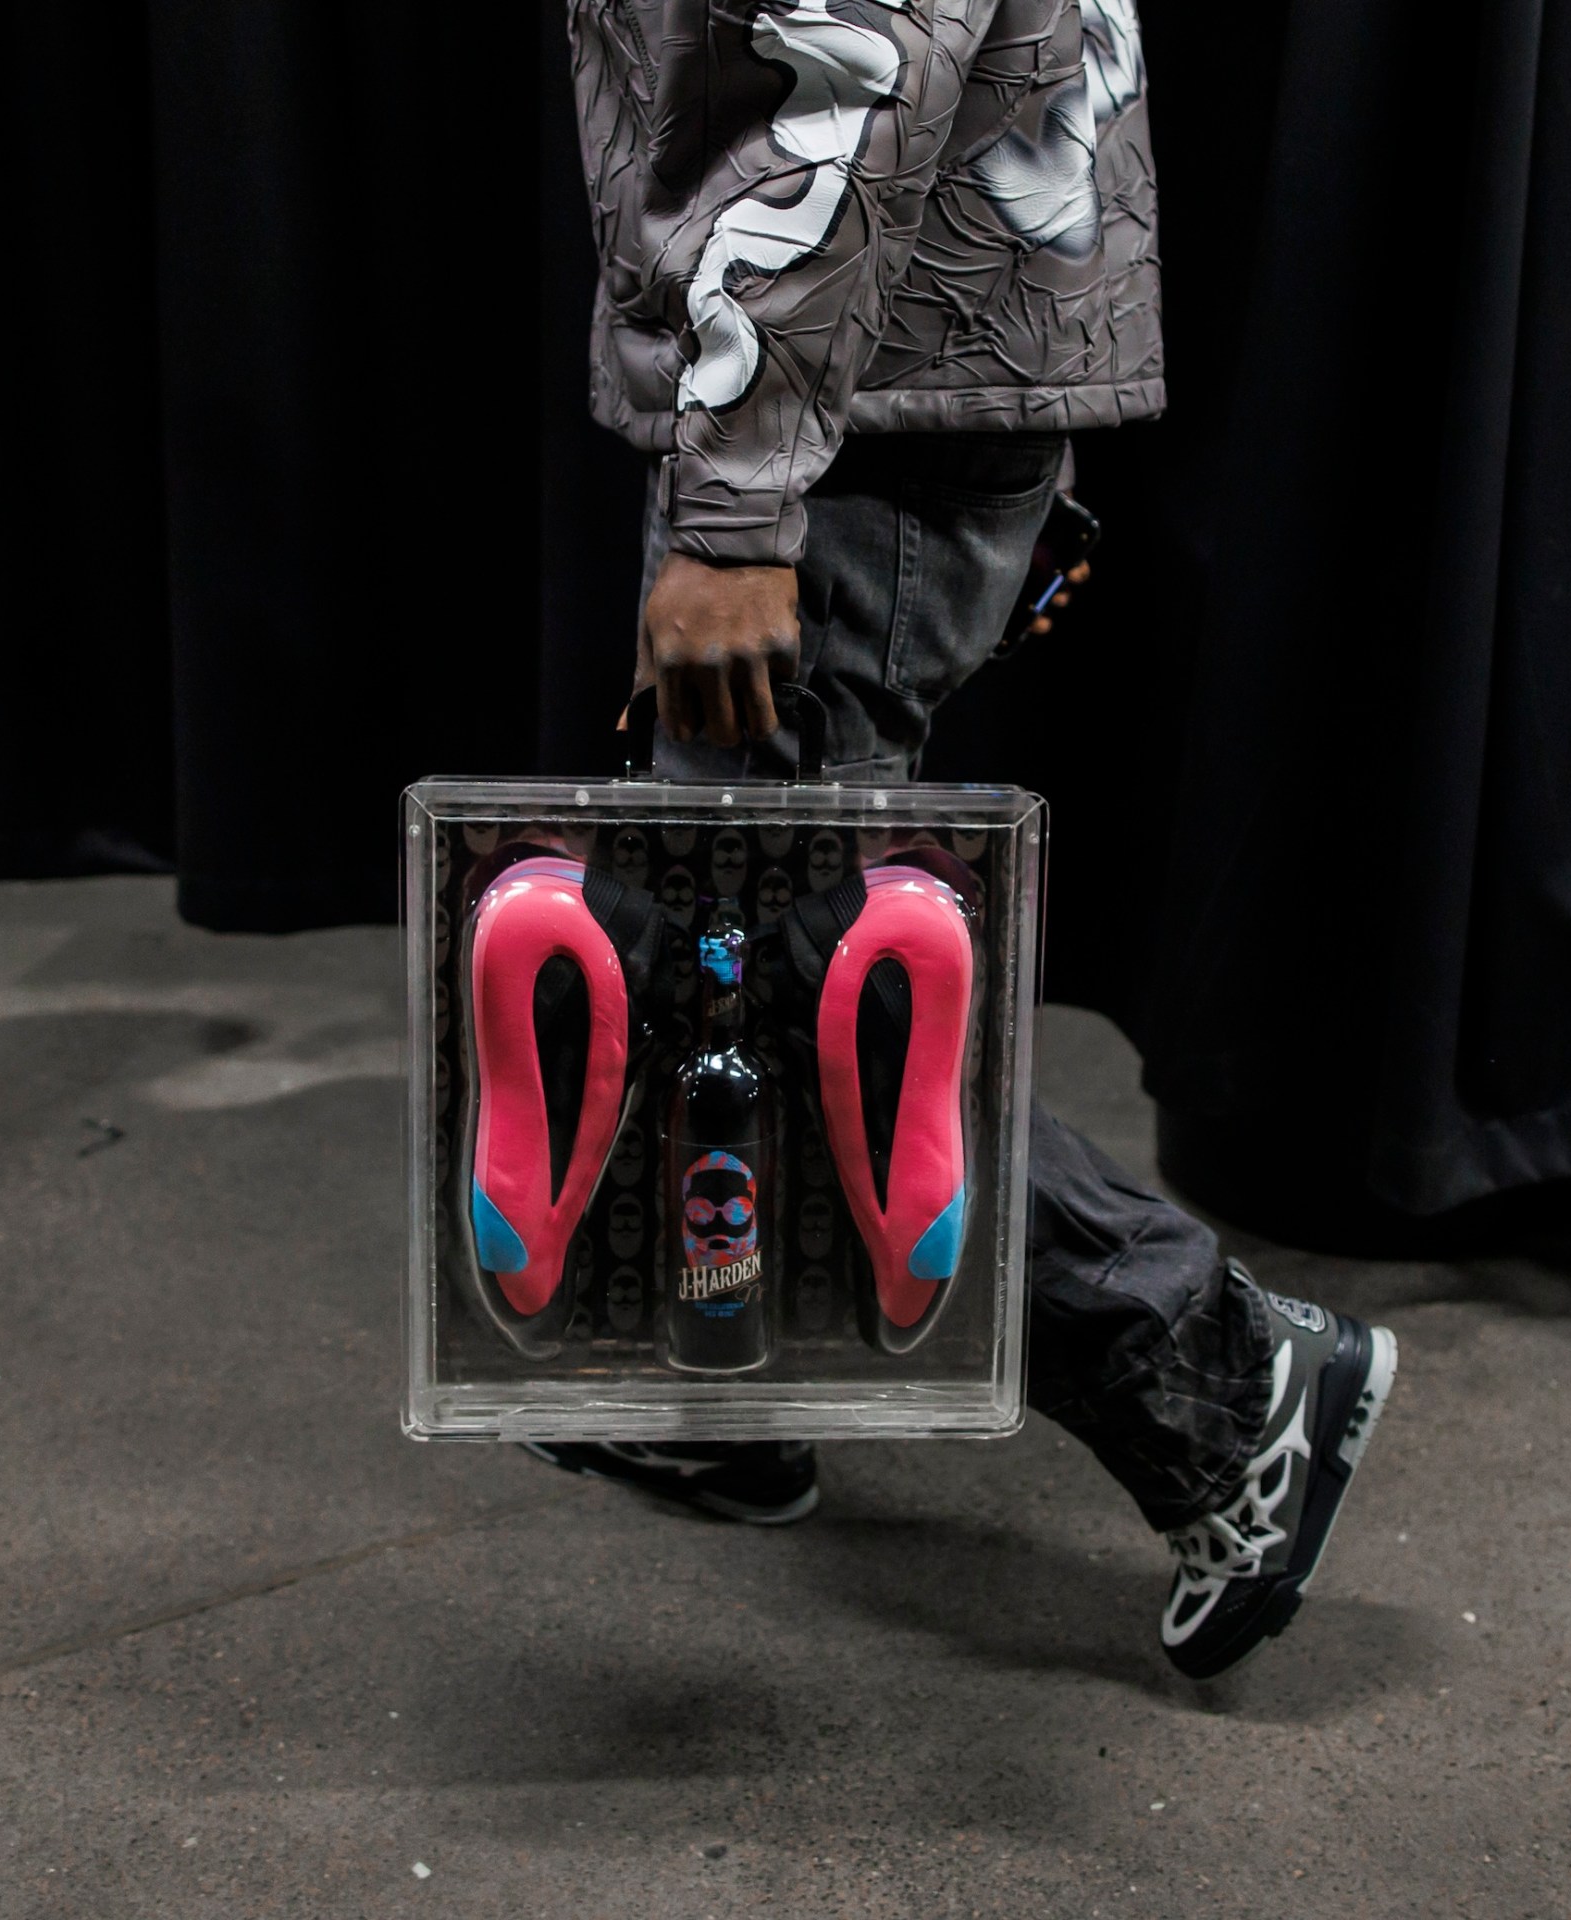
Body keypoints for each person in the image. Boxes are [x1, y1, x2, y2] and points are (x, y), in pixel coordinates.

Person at [522, 0, 1397, 1679]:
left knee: (801, 957)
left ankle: (1216, 1378)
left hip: (858, 411)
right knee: (727, 917)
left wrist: (736, 493)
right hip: (872, 375)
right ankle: (731, 1381)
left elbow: (847, 74)